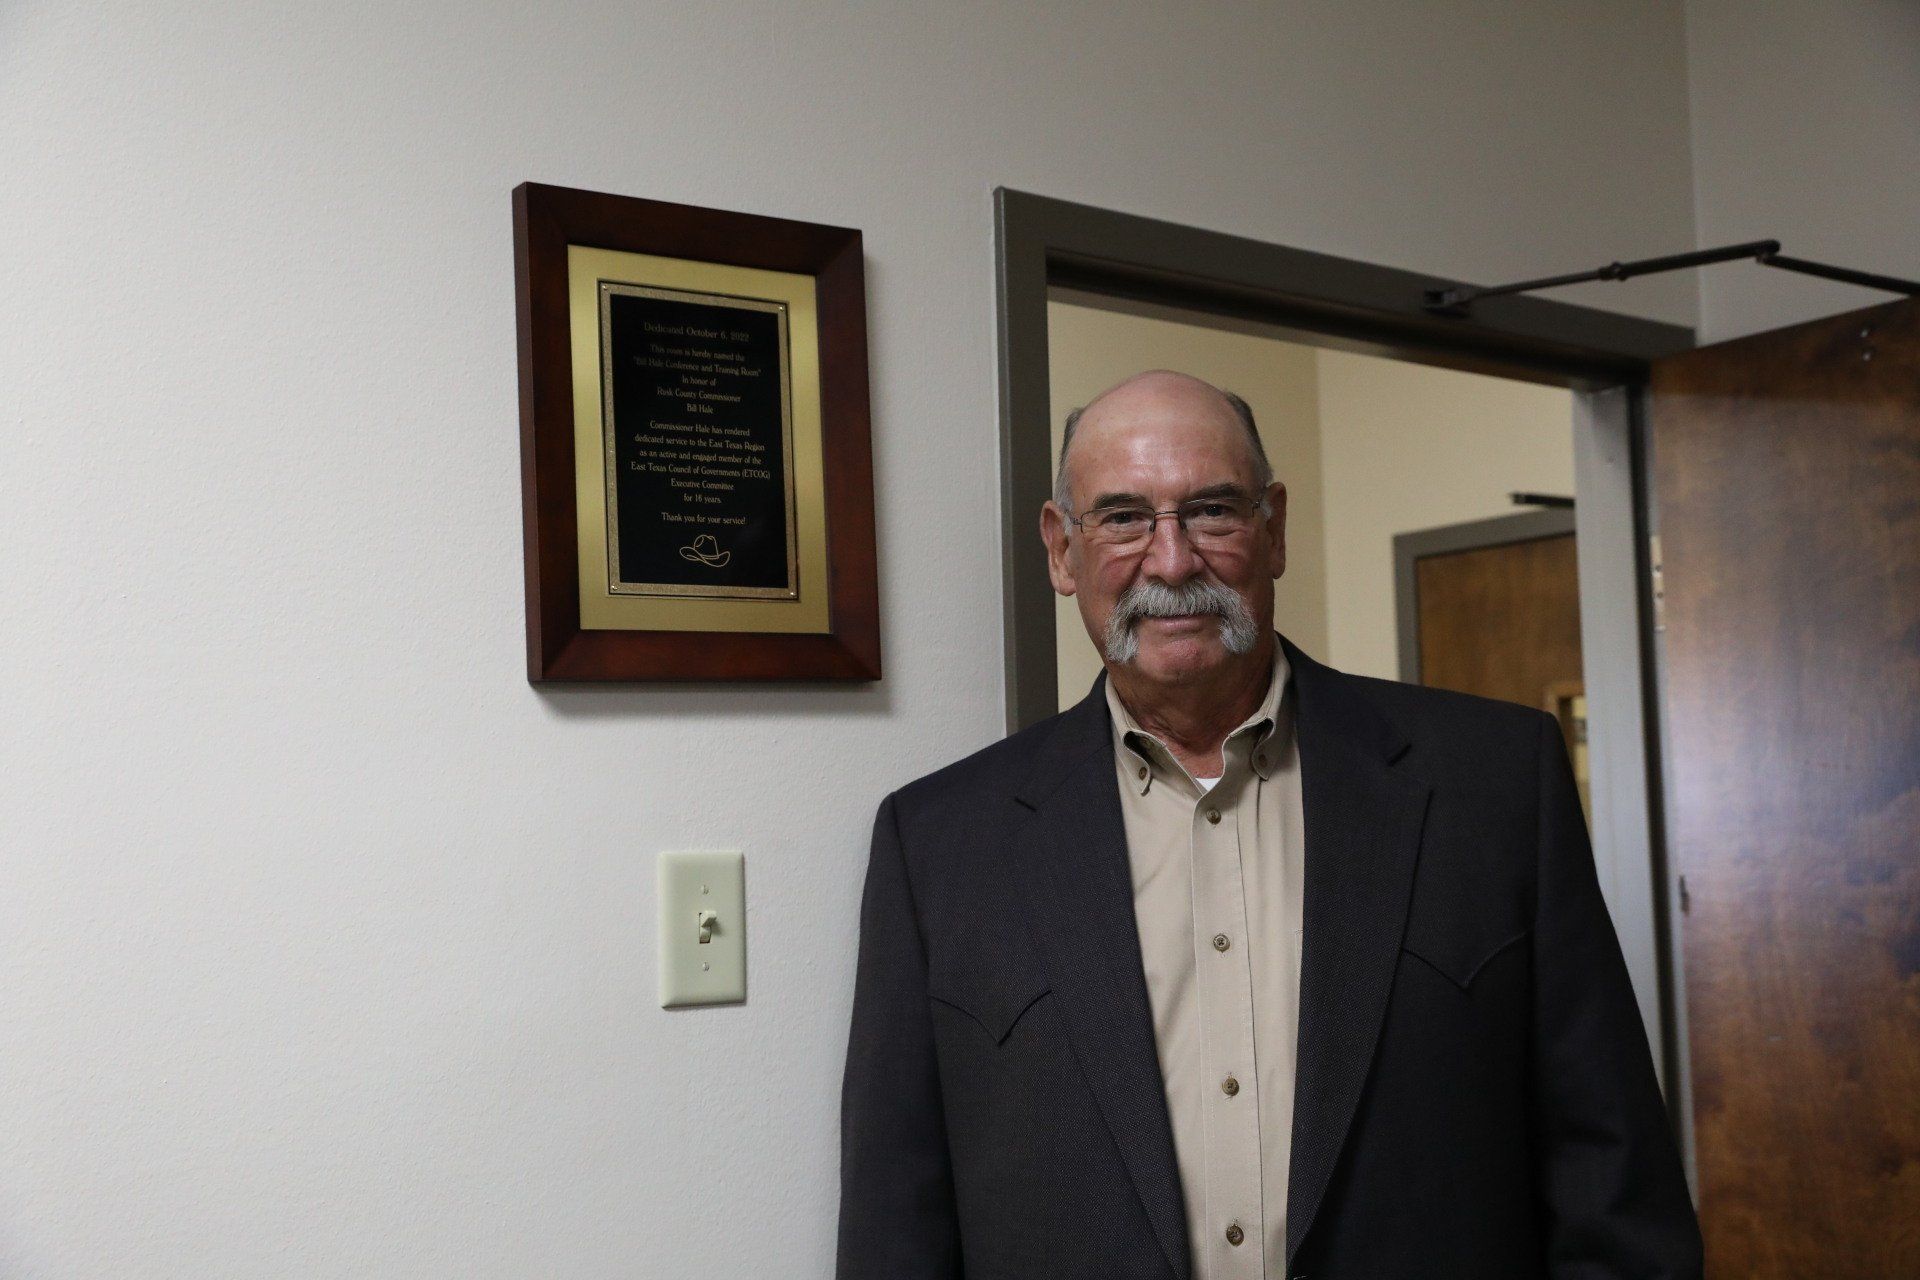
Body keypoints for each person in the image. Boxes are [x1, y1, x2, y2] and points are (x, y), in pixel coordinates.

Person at [837, 370, 1702, 1279]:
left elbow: (1613, 1178)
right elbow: (897, 1224)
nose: (1171, 563)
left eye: (1211, 511)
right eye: (1124, 517)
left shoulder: (1492, 786)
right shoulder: (938, 846)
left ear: (1275, 528)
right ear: (1061, 551)